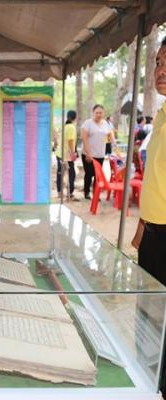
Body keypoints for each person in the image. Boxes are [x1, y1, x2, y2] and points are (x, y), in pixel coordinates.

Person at [132, 36, 166, 284]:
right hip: (152, 234)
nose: (161, 70)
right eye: (158, 62)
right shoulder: (161, 116)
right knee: (146, 304)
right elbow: (155, 178)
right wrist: (142, 228)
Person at [81, 104, 118, 200]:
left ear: (103, 113)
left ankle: (96, 193)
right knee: (89, 174)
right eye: (96, 113)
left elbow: (110, 133)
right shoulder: (87, 123)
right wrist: (88, 153)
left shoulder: (105, 123)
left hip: (100, 154)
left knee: (98, 175)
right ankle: (86, 192)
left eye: (100, 113)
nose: (98, 114)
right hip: (88, 154)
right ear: (93, 113)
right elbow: (84, 139)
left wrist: (114, 143)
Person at [55, 110, 78, 200]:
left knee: (60, 173)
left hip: (59, 153)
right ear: (75, 118)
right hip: (66, 155)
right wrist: (73, 153)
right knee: (71, 174)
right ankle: (70, 193)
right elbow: (70, 141)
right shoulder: (71, 127)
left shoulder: (64, 126)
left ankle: (59, 192)